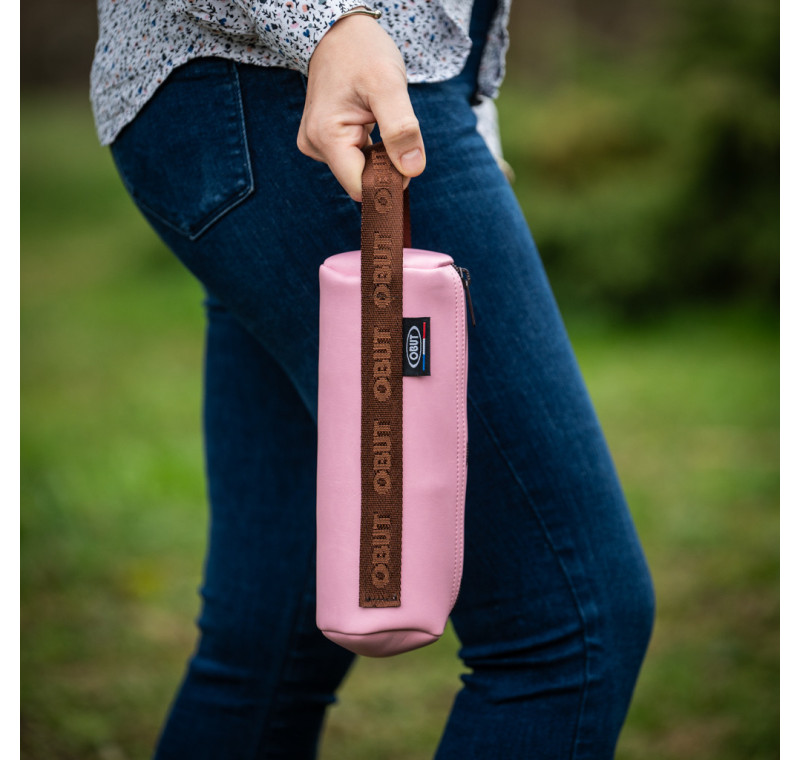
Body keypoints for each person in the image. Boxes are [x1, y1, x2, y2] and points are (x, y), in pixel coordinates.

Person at [90, 0, 656, 757]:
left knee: (266, 650)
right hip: (322, 92)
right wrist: (327, 21)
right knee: (572, 627)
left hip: (259, 102)